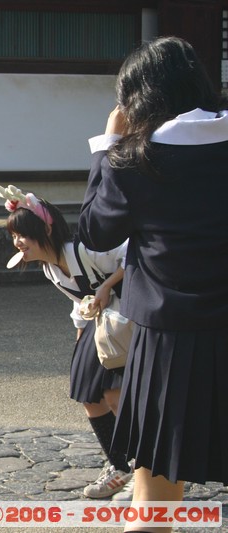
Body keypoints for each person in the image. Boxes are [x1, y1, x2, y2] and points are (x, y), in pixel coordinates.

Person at [78, 36, 228, 530]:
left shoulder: (138, 160)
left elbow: (96, 233)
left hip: (168, 346)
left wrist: (107, 145)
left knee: (155, 497)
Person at [0, 185, 133, 499]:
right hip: (99, 325)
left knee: (114, 394)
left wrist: (108, 285)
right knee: (88, 394)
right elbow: (78, 303)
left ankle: (142, 469)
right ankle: (119, 465)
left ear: (45, 229)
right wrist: (80, 341)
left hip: (129, 319)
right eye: (13, 236)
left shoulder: (86, 249)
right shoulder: (50, 269)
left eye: (22, 235)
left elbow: (133, 252)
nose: (17, 243)